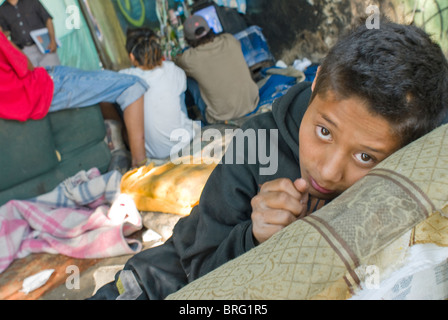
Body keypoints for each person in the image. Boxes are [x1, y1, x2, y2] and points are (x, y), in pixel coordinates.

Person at [91, 18, 448, 300]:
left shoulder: (417, 156)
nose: (326, 170)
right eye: (324, 131)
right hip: (164, 281)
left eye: (365, 156)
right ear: (316, 81)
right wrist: (255, 239)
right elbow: (199, 268)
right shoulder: (255, 142)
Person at [0, 31, 149, 168]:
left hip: (27, 102)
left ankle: (122, 149)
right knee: (132, 85)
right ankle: (141, 167)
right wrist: (7, 40)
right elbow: (27, 65)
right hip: (45, 87)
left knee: (102, 95)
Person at [120, 27, 197, 160]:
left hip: (156, 156)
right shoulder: (173, 70)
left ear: (132, 56)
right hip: (185, 143)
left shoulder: (124, 78)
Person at [174, 14, 259, 125]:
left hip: (222, 117)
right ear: (210, 29)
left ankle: (194, 113)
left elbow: (176, 62)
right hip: (252, 102)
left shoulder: (189, 59)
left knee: (188, 78)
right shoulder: (229, 40)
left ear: (187, 40)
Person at [0, 0, 60, 67]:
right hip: (25, 52)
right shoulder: (2, 10)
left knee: (55, 73)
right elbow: (5, 34)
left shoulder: (31, 1)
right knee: (35, 76)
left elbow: (48, 19)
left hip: (45, 46)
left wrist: (53, 41)